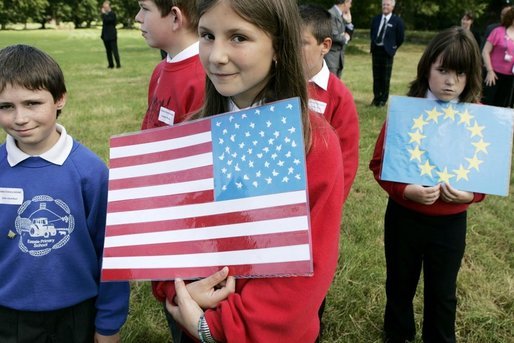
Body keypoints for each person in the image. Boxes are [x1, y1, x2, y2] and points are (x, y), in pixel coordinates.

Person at [152, 0, 346, 342]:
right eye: (208, 36)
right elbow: (171, 234)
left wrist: (213, 327)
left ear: (279, 48)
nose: (216, 56)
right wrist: (177, 290)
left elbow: (306, 272)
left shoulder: (313, 143)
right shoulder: (191, 133)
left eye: (238, 38)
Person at [0, 44, 130, 342]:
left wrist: (108, 323)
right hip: (7, 313)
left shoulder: (90, 172)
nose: (19, 118)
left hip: (76, 313)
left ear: (59, 99)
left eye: (32, 103)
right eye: (6, 106)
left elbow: (112, 252)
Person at [369, 27, 485, 343]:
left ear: (471, 74)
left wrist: (470, 195)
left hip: (450, 224)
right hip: (404, 218)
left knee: (443, 292)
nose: (450, 81)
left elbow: (485, 174)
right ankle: (398, 334)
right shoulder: (407, 110)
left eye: (459, 73)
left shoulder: (477, 118)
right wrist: (406, 191)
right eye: (443, 70)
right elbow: (380, 164)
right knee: (400, 284)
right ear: (427, 68)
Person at [299, 3, 359, 202]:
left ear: (325, 46)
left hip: (317, 198)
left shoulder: (339, 97)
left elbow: (347, 160)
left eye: (301, 43)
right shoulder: (273, 86)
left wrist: (330, 203)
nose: (290, 50)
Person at [135, 0, 205, 130]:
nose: (138, 17)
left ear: (175, 18)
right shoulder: (159, 70)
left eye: (145, 8)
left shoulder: (202, 80)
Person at [370, 0, 405, 107]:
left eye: (387, 5)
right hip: (376, 50)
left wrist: (393, 48)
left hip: (387, 52)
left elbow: (400, 37)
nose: (385, 6)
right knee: (376, 76)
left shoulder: (397, 21)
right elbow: (372, 33)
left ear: (392, 7)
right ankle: (376, 98)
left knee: (385, 77)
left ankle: (383, 100)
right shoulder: (376, 19)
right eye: (383, 4)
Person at [482, 6, 514, 108]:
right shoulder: (498, 31)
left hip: (510, 79)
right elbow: (485, 51)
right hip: (493, 75)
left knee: (503, 108)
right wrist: (490, 71)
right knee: (487, 104)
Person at [325, 0, 354, 78]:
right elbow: (334, 36)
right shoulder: (331, 14)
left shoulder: (341, 15)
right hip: (331, 58)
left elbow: (346, 32)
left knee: (336, 86)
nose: (350, 6)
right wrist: (346, 38)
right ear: (345, 2)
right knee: (331, 86)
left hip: (339, 58)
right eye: (350, 3)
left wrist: (349, 22)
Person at [101, 1, 121, 69]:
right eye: (104, 7)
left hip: (112, 36)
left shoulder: (112, 14)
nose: (104, 8)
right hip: (105, 36)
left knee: (114, 50)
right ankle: (111, 64)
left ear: (109, 7)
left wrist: (104, 14)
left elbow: (109, 21)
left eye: (106, 7)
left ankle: (118, 64)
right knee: (108, 51)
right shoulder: (104, 15)